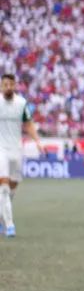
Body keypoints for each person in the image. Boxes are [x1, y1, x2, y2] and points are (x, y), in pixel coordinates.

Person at [0, 73, 46, 237]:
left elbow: (29, 124)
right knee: (3, 187)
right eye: (5, 84)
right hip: (1, 150)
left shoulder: (21, 103)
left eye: (11, 84)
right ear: (1, 87)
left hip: (16, 150)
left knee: (12, 186)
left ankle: (2, 215)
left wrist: (38, 142)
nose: (8, 87)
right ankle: (10, 224)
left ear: (15, 86)